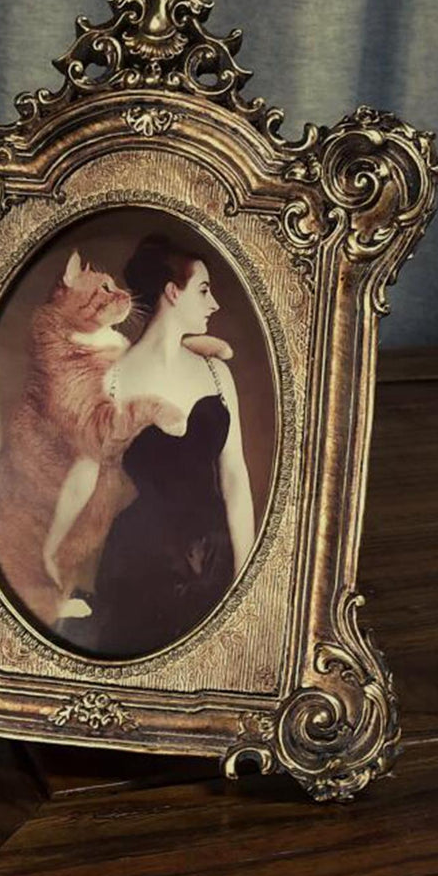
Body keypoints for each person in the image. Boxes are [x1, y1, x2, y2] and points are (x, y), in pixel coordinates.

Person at [91, 234, 255, 657]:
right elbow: (86, 481)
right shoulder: (110, 379)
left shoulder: (217, 373)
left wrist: (247, 579)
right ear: (172, 292)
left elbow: (235, 479)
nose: (214, 303)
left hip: (214, 559)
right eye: (203, 290)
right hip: (139, 562)